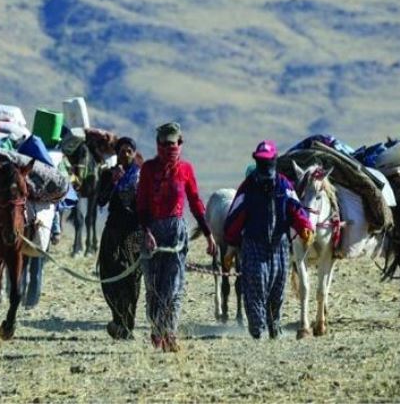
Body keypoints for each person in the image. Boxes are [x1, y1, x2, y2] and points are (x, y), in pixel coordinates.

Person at [136, 122, 217, 352]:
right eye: (164, 144)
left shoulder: (186, 170)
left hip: (176, 233)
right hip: (151, 231)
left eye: (173, 143)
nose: (169, 148)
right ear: (158, 144)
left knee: (174, 287)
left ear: (180, 144)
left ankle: (169, 333)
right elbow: (141, 203)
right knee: (153, 287)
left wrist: (208, 234)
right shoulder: (149, 169)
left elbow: (195, 202)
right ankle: (156, 330)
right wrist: (146, 232)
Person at [223, 140, 314, 340]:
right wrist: (231, 244)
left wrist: (305, 227)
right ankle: (257, 330)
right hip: (254, 245)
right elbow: (236, 215)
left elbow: (295, 208)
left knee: (277, 289)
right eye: (260, 162)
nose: (265, 166)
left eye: (268, 161)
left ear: (274, 161)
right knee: (256, 286)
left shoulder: (283, 184)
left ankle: (274, 326)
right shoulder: (248, 187)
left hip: (279, 246)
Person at [97, 137, 143, 340]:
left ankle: (128, 325)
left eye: (129, 151)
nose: (125, 154)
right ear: (117, 153)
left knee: (132, 278)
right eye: (122, 150)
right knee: (108, 276)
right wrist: (113, 182)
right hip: (113, 231)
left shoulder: (142, 176)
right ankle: (117, 317)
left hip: (134, 232)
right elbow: (100, 200)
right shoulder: (108, 174)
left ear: (134, 153)